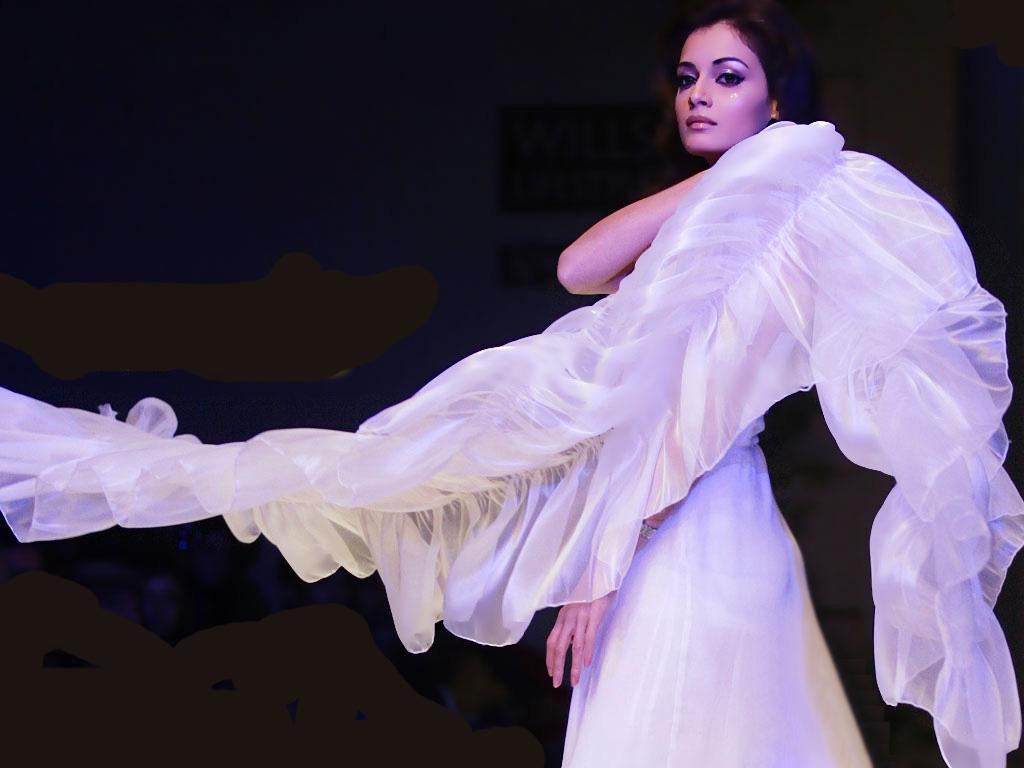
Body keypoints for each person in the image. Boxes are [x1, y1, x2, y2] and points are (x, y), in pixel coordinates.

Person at [0, 1, 1020, 766]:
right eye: (686, 76)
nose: (698, 94)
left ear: (776, 100)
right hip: (691, 532)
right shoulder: (716, 229)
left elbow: (693, 420)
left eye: (727, 76)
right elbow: (580, 266)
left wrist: (601, 564)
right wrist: (731, 179)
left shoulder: (777, 239)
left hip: (691, 536)